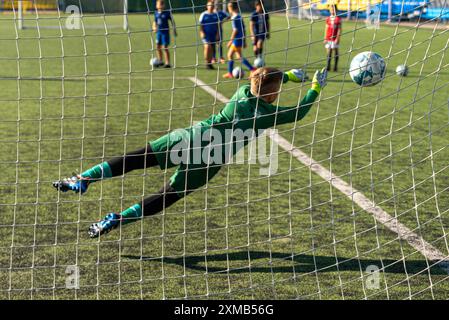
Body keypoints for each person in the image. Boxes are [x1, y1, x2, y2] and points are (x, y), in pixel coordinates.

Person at [53, 67, 328, 238]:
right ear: (272, 96)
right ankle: (117, 219)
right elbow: (300, 112)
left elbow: (259, 77)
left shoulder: (241, 94)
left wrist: (288, 76)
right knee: (166, 196)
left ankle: (85, 178)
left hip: (191, 138)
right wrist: (315, 86)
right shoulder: (268, 114)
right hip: (209, 162)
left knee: (137, 158)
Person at [223, 1, 255, 79]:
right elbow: (243, 29)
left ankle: (253, 69)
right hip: (239, 39)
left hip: (236, 40)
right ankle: (230, 73)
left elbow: (235, 30)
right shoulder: (239, 16)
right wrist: (244, 40)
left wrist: (230, 41)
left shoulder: (235, 18)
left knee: (234, 56)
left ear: (230, 8)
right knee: (235, 56)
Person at [153, 0, 177, 68]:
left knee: (165, 47)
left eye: (160, 4)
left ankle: (167, 63)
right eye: (157, 4)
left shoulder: (167, 13)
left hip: (165, 33)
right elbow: (155, 21)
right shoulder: (156, 13)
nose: (158, 5)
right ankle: (160, 60)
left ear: (163, 5)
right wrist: (154, 27)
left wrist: (174, 30)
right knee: (157, 46)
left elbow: (172, 21)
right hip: (159, 33)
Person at [199, 1, 220, 69]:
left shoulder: (215, 15)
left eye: (212, 5)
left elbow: (217, 25)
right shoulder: (203, 14)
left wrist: (217, 34)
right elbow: (201, 25)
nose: (211, 7)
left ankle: (209, 63)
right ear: (207, 6)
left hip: (213, 35)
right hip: (206, 35)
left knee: (212, 49)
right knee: (207, 47)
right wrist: (202, 32)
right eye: (209, 5)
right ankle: (206, 62)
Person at [324, 4, 342, 72]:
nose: (332, 10)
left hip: (334, 38)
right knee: (329, 52)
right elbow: (326, 28)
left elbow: (340, 29)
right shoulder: (328, 18)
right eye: (331, 9)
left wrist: (338, 38)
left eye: (333, 9)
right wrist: (325, 38)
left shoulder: (338, 19)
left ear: (336, 10)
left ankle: (335, 67)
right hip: (328, 38)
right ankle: (328, 67)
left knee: (336, 52)